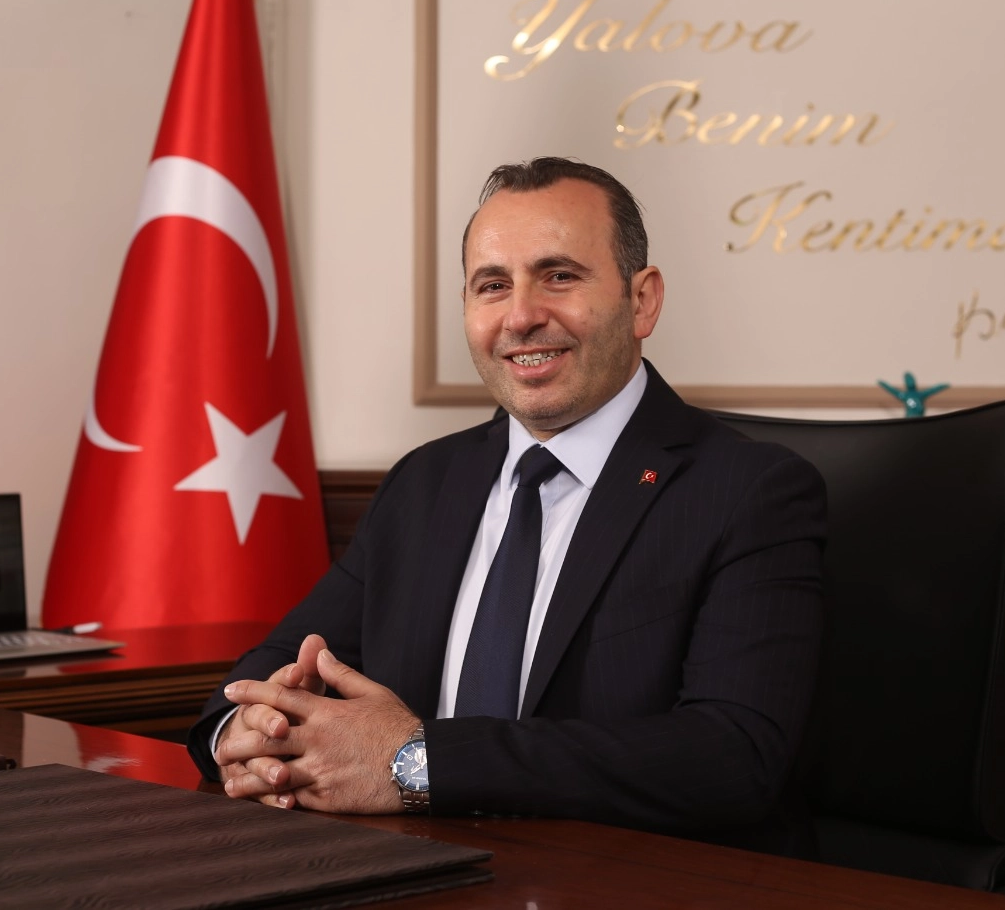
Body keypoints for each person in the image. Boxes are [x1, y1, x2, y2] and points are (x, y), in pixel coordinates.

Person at [188, 157, 826, 854]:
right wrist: (246, 734)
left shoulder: (749, 490)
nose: (521, 317)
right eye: (492, 286)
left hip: (624, 878)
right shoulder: (425, 481)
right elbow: (278, 661)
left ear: (642, 301)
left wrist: (419, 764)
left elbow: (732, 755)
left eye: (559, 276)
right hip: (412, 867)